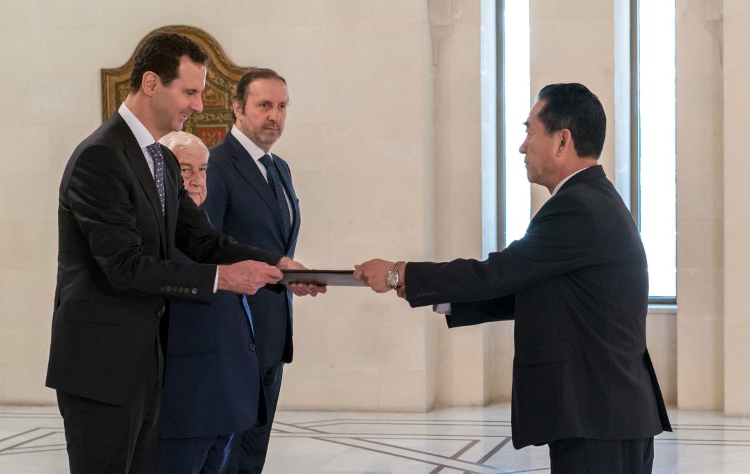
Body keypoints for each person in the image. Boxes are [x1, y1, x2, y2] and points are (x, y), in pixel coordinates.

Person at [354, 83, 672, 473]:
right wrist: (430, 292)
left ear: (561, 141)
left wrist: (398, 272)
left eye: (529, 132)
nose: (522, 147)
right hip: (607, 413)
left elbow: (498, 272)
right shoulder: (593, 199)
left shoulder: (577, 207)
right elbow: (529, 289)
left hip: (598, 416)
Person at [46, 33, 303, 473]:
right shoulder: (100, 156)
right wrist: (223, 278)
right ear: (151, 83)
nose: (198, 106)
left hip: (149, 364)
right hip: (102, 367)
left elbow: (202, 240)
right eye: (189, 92)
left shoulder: (159, 158)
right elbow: (124, 267)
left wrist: (274, 264)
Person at [201, 67, 321, 473]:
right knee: (226, 453)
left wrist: (291, 276)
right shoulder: (216, 165)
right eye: (265, 105)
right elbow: (206, 246)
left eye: (282, 107)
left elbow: (277, 246)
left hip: (272, 331)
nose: (275, 116)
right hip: (233, 333)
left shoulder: (279, 167)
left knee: (253, 452)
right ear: (238, 108)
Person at [153, 131, 261, 473]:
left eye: (203, 170)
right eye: (185, 169)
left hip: (222, 398)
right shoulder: (155, 234)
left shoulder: (209, 232)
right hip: (182, 404)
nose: (197, 180)